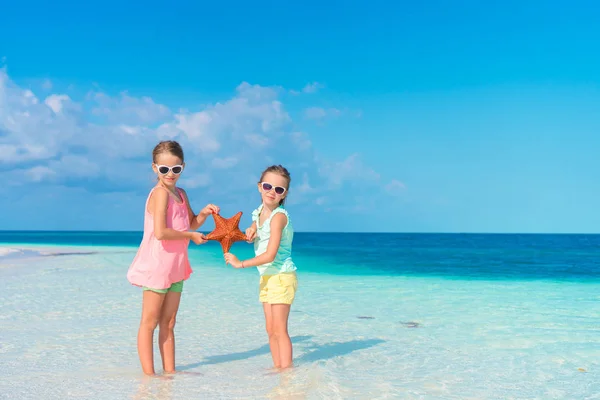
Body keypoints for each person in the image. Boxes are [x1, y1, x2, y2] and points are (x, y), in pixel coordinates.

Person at [127, 140, 220, 376]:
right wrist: (191, 235)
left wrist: (204, 214)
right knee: (149, 323)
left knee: (168, 322)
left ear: (183, 167)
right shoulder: (160, 194)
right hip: (157, 266)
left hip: (176, 266)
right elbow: (160, 232)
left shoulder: (181, 194)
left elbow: (190, 223)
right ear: (154, 168)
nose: (170, 174)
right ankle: (149, 377)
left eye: (176, 169)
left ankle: (169, 374)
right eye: (164, 169)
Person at [224, 165, 298, 370]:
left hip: (281, 276)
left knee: (280, 329)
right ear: (259, 187)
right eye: (268, 186)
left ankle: (288, 372)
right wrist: (251, 230)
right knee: (270, 329)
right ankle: (278, 368)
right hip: (267, 276)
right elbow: (255, 227)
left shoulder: (279, 217)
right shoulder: (258, 213)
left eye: (279, 189)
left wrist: (241, 264)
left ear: (284, 194)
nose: (272, 192)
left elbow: (270, 254)